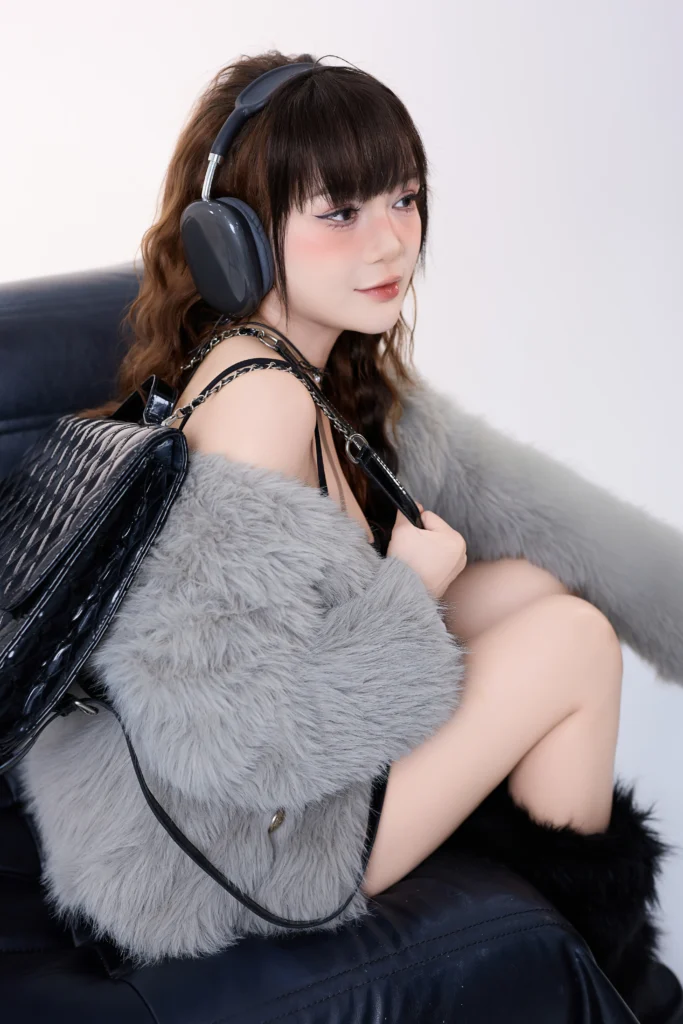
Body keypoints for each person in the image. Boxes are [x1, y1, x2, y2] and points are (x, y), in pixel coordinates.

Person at [18, 51, 683, 1020]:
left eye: (403, 199)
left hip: (265, 787)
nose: (391, 243)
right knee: (569, 643)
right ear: (235, 237)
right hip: (224, 851)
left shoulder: (326, 374)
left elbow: (545, 512)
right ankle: (593, 978)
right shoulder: (259, 402)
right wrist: (406, 591)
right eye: (340, 213)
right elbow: (226, 737)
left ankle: (552, 921)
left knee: (535, 589)